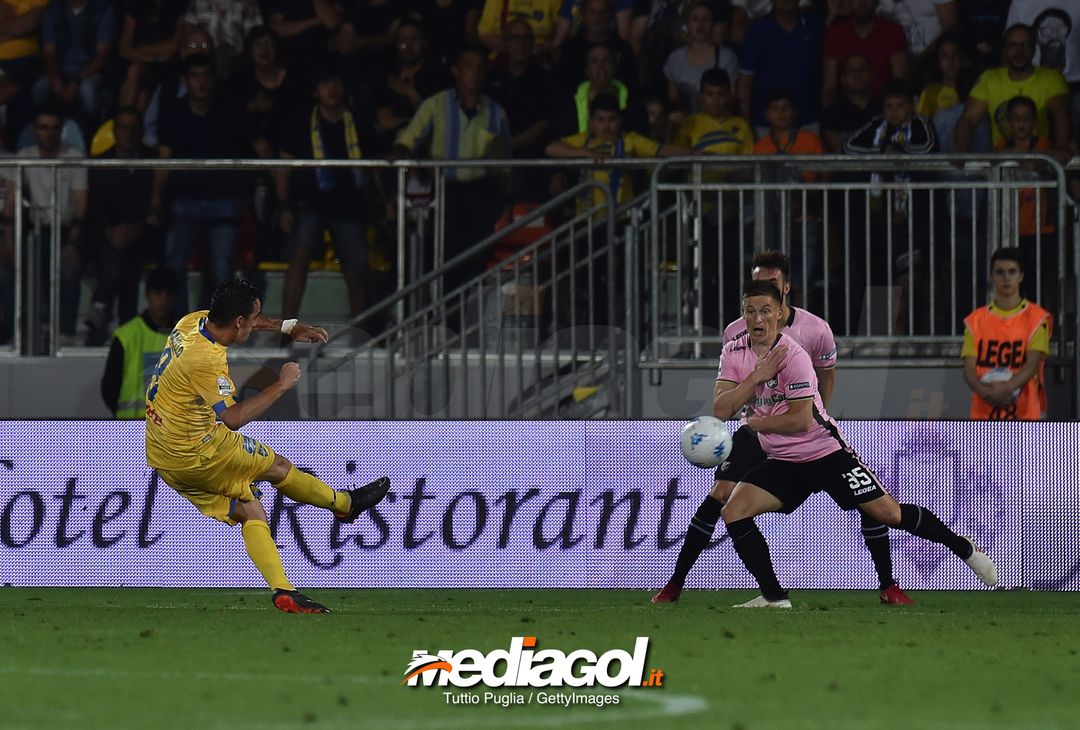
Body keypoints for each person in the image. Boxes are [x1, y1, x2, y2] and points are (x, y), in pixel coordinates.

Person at [663, 278, 998, 609]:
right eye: (750, 311)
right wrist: (755, 378)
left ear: (780, 313)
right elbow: (721, 409)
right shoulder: (734, 351)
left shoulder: (794, 356)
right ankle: (774, 596)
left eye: (766, 310)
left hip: (826, 453)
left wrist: (755, 422)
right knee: (733, 510)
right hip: (783, 461)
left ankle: (963, 549)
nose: (758, 319)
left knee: (890, 514)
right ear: (743, 315)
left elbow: (800, 421)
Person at [654, 252, 916, 607]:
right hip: (756, 427)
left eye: (771, 285)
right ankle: (675, 584)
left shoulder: (815, 329)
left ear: (784, 291)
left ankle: (888, 583)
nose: (762, 296)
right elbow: (730, 390)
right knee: (720, 496)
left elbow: (826, 376)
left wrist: (808, 417)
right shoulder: (737, 332)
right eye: (756, 287)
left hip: (800, 427)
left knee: (868, 503)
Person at [144, 277, 391, 613]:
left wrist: (290, 327)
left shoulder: (192, 321)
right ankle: (343, 505)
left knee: (249, 508)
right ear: (238, 322)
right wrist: (281, 385)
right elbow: (230, 418)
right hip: (198, 451)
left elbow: (253, 320)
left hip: (163, 453)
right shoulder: (206, 360)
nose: (258, 320)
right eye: (253, 316)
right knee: (277, 467)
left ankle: (284, 590)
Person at [276, 63, 373, 328]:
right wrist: (284, 205)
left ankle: (360, 334)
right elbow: (284, 165)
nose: (332, 89)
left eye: (336, 84)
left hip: (349, 205)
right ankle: (287, 330)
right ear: (316, 92)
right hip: (310, 204)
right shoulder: (300, 122)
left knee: (357, 269)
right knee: (299, 258)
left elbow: (374, 169)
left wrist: (384, 203)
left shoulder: (359, 122)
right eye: (325, 84)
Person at [85, 107, 160, 346]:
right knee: (118, 260)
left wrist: (135, 227)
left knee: (123, 258)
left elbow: (155, 204)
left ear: (140, 132)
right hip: (107, 236)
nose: (128, 133)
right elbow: (95, 207)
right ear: (115, 131)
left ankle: (100, 308)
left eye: (133, 128)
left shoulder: (153, 161)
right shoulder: (101, 164)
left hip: (143, 234)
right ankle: (125, 328)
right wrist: (110, 230)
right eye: (123, 127)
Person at [954, 23, 1071, 160]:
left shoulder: (1051, 77)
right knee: (952, 113)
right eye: (1012, 46)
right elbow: (969, 119)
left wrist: (1061, 146)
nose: (1019, 52)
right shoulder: (990, 78)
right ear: (1004, 49)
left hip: (1038, 157)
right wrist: (960, 153)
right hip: (1001, 156)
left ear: (1034, 48)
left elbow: (1061, 113)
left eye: (1025, 45)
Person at [961, 247, 1052, 420]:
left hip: (1024, 413)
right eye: (1000, 272)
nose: (1006, 278)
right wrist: (985, 391)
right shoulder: (975, 320)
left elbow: (1032, 364)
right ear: (992, 276)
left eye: (1012, 272)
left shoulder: (1036, 318)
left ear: (1021, 276)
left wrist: (1007, 388)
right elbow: (969, 368)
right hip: (984, 411)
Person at [100, 266, 178, 418]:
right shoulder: (127, 336)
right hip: (132, 431)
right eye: (158, 293)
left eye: (168, 294)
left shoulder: (188, 337)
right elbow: (109, 387)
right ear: (147, 295)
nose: (163, 300)